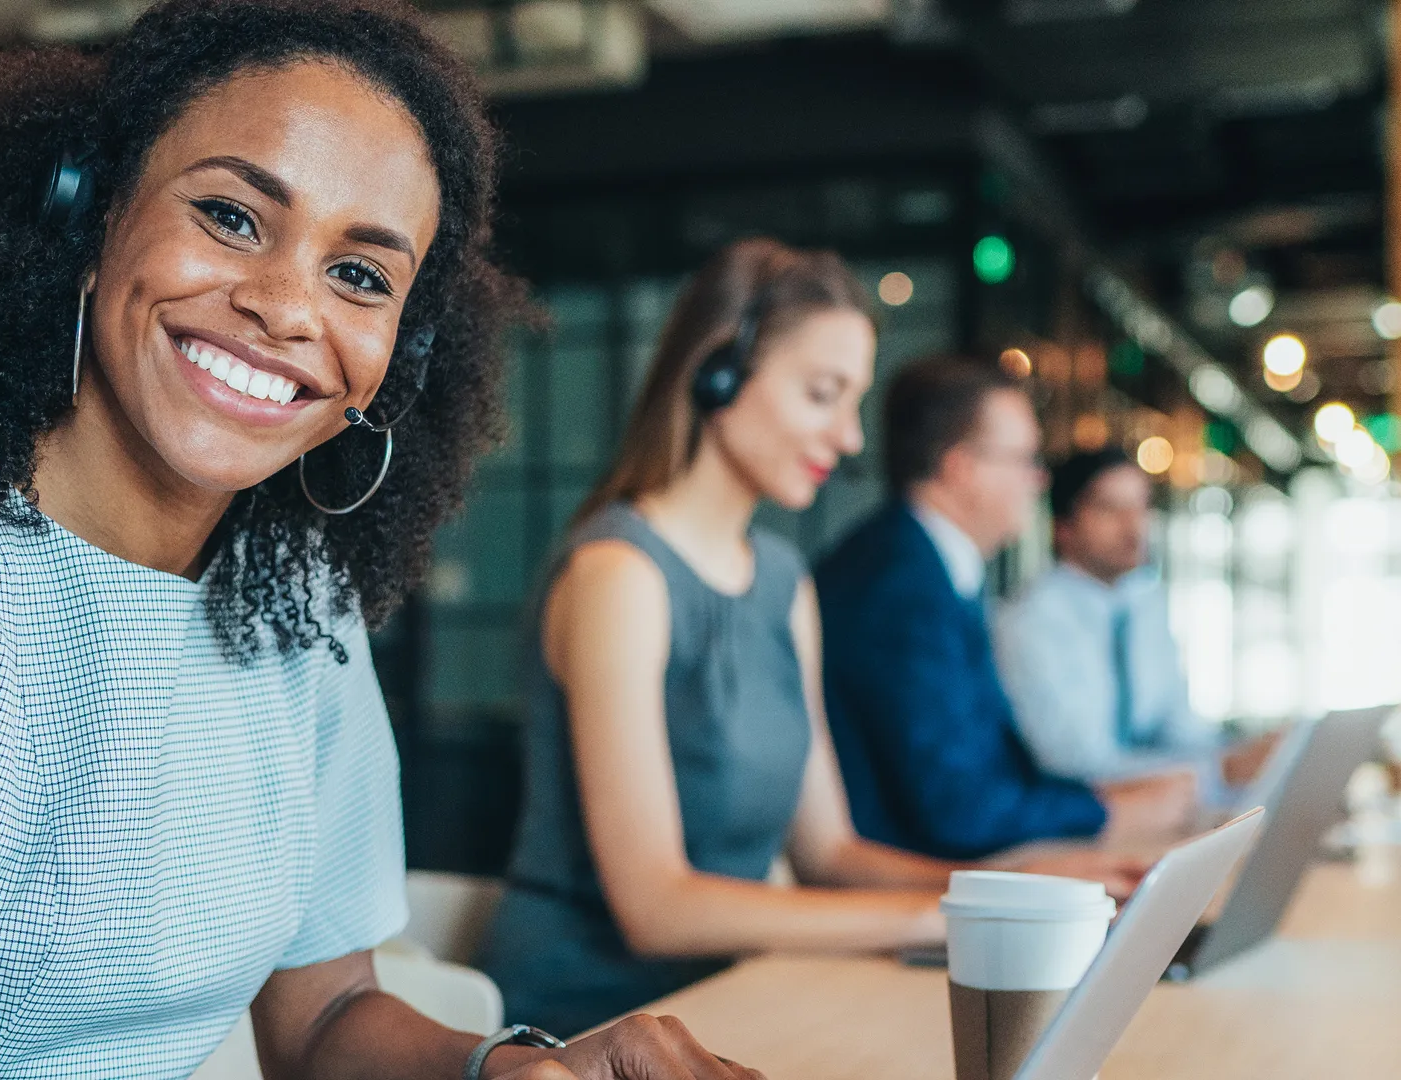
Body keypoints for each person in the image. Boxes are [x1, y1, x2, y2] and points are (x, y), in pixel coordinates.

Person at [0, 4, 759, 1078]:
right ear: (90, 219)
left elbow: (326, 1021)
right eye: (231, 215)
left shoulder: (296, 598)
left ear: (395, 363)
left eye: (359, 275)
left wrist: (509, 1065)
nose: (286, 306)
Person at [477, 241, 1148, 1037]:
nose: (850, 437)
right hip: (592, 1023)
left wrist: (1010, 886)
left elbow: (830, 852)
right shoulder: (618, 574)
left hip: (738, 996)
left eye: (853, 401)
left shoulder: (784, 582)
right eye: (823, 394)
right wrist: (945, 915)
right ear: (719, 372)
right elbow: (657, 909)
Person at [815, 357, 1197, 862]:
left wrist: (1100, 804)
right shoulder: (899, 586)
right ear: (961, 468)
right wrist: (1107, 813)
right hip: (911, 899)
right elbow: (959, 810)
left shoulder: (930, 565)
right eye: (1023, 459)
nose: (1038, 481)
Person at [995, 450, 1278, 796]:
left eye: (1140, 506)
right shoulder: (1030, 622)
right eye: (1110, 509)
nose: (1134, 526)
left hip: (1154, 812)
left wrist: (1249, 754)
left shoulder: (1144, 603)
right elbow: (1078, 767)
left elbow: (1181, 729)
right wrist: (1219, 770)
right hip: (1073, 826)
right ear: (1063, 527)